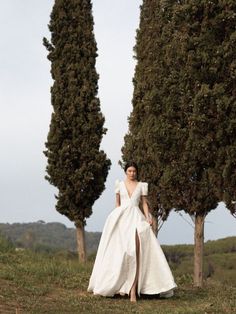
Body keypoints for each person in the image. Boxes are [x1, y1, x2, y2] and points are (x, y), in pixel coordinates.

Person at [87, 162, 177, 302]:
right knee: (120, 252)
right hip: (121, 218)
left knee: (136, 251)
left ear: (137, 172)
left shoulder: (141, 186)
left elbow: (144, 203)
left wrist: (148, 216)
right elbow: (117, 204)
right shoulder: (119, 184)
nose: (132, 173)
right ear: (125, 171)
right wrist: (116, 218)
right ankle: (120, 286)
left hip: (136, 217)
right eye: (129, 171)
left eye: (134, 171)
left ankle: (133, 290)